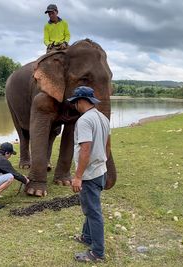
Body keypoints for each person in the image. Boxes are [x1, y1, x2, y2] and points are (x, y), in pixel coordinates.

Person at [67, 86, 110, 263]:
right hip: (101, 170)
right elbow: (108, 145)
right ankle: (87, 236)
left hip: (90, 174)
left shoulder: (84, 120)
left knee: (93, 212)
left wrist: (78, 176)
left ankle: (97, 253)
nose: (74, 106)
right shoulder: (103, 118)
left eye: (75, 102)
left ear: (80, 101)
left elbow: (85, 149)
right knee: (90, 207)